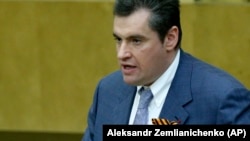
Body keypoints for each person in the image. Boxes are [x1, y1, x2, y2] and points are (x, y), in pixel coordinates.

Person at [82, 0, 250, 141]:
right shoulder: (107, 91)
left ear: (170, 38)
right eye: (118, 39)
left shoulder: (222, 99)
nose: (121, 54)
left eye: (136, 41)